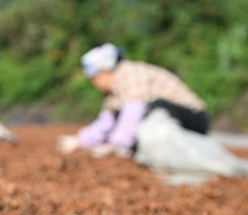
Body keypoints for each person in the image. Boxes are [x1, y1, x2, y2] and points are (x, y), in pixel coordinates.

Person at [58, 43, 210, 157]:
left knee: (155, 107)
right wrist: (79, 140)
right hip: (171, 118)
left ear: (103, 73)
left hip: (194, 118)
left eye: (94, 78)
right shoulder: (114, 92)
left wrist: (113, 147)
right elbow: (106, 122)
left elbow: (132, 115)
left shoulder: (130, 74)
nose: (94, 83)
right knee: (121, 113)